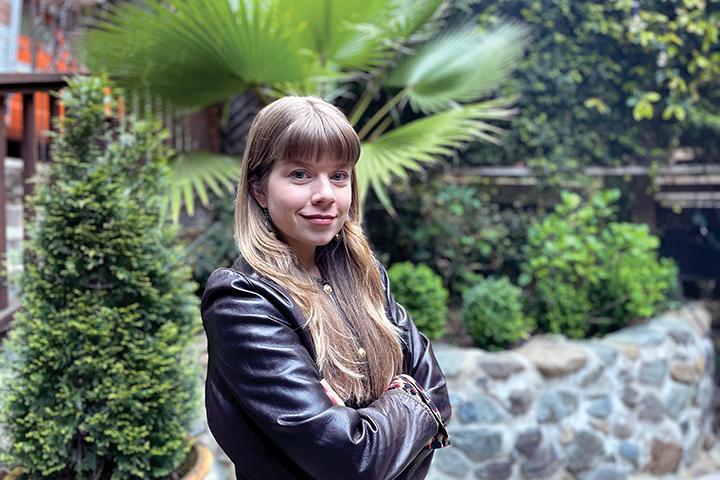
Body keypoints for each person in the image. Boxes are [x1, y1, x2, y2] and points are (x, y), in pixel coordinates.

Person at [201, 96, 451, 480]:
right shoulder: (242, 302)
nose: (326, 194)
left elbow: (438, 394)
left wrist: (368, 420)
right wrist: (408, 402)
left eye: (339, 175)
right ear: (259, 189)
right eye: (300, 174)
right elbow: (352, 462)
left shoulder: (366, 275)